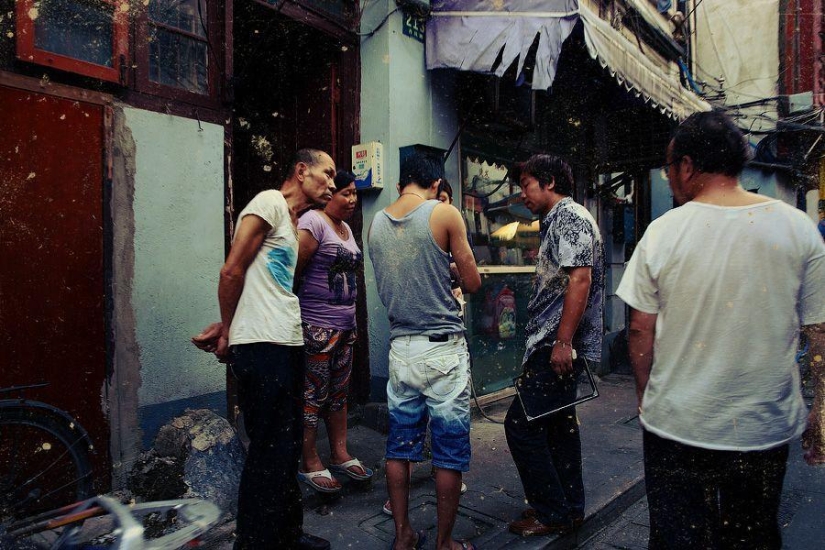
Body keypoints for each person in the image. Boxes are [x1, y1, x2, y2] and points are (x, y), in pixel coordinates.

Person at [616, 111, 825, 549]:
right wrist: (820, 409)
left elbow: (639, 329)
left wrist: (644, 395)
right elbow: (820, 330)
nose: (669, 178)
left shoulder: (662, 233)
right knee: (751, 537)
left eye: (669, 168)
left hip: (677, 423)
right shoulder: (799, 229)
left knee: (677, 538)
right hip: (762, 428)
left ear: (687, 166)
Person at [191, 149, 336, 550]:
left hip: (284, 343)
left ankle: (287, 536)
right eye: (327, 173)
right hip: (263, 347)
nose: (332, 183)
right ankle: (254, 544)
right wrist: (228, 334)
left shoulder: (294, 224)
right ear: (301, 170)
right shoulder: (269, 202)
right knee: (269, 452)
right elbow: (232, 270)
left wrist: (227, 323)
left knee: (287, 449)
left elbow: (259, 289)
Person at [368, 154, 481, 550]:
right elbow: (473, 281)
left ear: (402, 183)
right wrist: (450, 270)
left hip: (401, 348)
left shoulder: (376, 223)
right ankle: (445, 543)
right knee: (449, 450)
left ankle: (402, 536)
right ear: (435, 184)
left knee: (400, 447)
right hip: (442, 349)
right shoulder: (444, 214)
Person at [504, 154, 604, 537]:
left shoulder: (571, 216)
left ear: (548, 182)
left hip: (556, 347)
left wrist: (563, 341)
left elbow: (580, 278)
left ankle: (551, 512)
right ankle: (568, 509)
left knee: (521, 425)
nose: (522, 193)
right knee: (559, 427)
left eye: (526, 184)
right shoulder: (558, 220)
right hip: (554, 345)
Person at [294, 170, 372, 493]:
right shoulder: (312, 221)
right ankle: (309, 458)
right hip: (317, 328)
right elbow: (291, 272)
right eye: (346, 193)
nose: (352, 199)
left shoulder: (346, 230)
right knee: (313, 395)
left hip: (345, 328)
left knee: (339, 394)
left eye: (355, 193)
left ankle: (339, 452)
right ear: (331, 195)